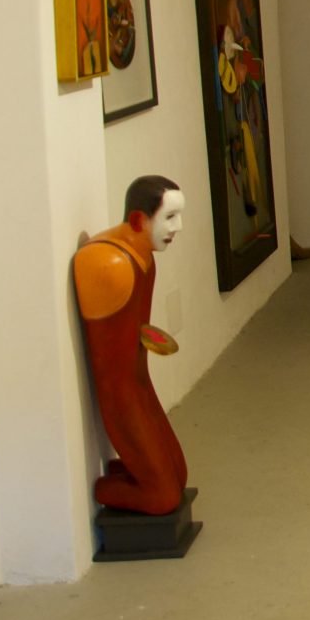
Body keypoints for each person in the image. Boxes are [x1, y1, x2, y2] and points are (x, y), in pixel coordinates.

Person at [73, 176, 189, 514]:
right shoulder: (111, 263)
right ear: (139, 220)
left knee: (179, 476)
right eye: (170, 217)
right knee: (163, 498)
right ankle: (102, 490)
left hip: (138, 383)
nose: (178, 227)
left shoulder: (145, 258)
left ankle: (131, 471)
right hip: (121, 395)